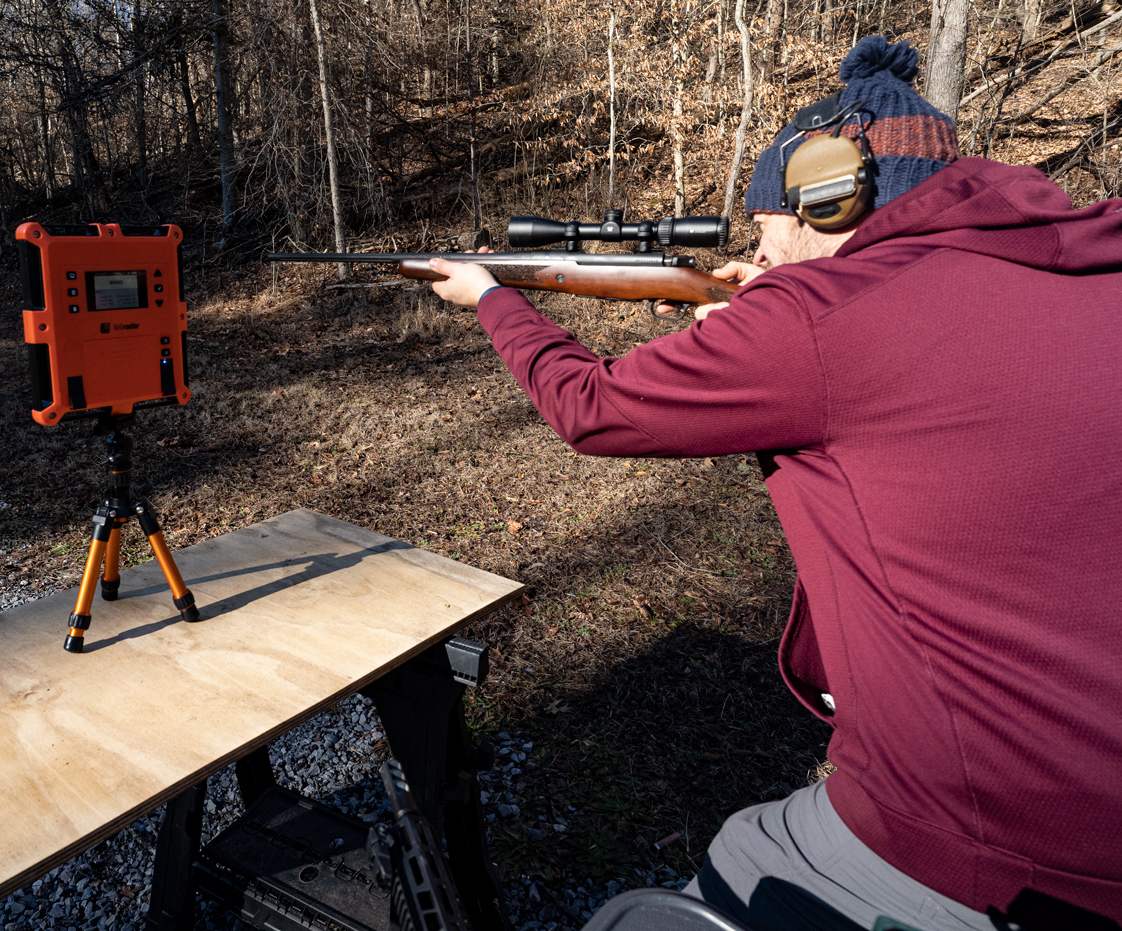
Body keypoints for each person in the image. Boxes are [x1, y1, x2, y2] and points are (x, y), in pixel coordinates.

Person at [426, 36, 1122, 931]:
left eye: (767, 228)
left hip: (996, 848)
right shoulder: (1089, 264)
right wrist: (765, 317)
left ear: (831, 197)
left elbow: (589, 408)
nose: (759, 250)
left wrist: (493, 296)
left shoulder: (820, 321)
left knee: (700, 889)